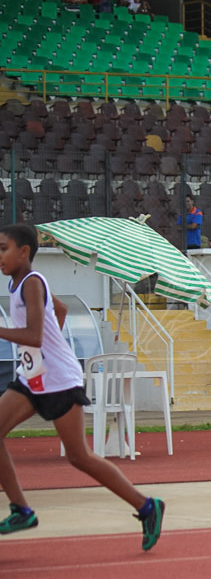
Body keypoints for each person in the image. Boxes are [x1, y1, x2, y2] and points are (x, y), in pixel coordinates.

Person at [0, 224, 165, 549]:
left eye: (3, 248)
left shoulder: (32, 283)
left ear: (24, 252)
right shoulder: (16, 282)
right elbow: (58, 311)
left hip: (59, 380)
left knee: (79, 457)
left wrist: (42, 346)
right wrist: (49, 347)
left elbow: (33, 335)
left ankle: (147, 507)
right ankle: (21, 509)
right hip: (35, 376)